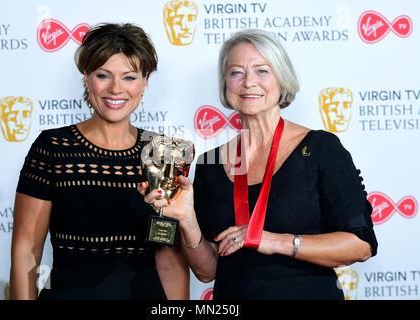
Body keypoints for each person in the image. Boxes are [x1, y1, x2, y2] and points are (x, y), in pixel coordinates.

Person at [140, 29, 378, 299]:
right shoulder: (210, 163)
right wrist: (187, 220)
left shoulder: (322, 149)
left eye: (262, 71)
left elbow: (361, 245)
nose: (248, 82)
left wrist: (273, 240)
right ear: (225, 84)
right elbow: (207, 272)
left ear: (282, 80)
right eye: (236, 72)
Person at [10, 23, 189, 300]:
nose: (116, 89)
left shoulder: (164, 153)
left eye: (129, 77)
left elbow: (169, 259)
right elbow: (25, 252)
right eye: (103, 75)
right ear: (86, 78)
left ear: (145, 81)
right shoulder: (52, 147)